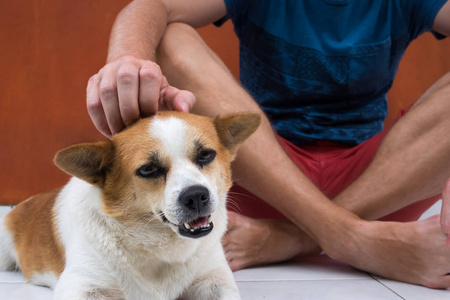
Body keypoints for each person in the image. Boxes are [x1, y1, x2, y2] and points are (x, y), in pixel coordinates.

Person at [86, 0, 450, 289]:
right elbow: (153, 5)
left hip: (380, 183)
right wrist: (128, 61)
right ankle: (351, 237)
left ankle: (299, 238)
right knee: (167, 36)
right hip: (264, 177)